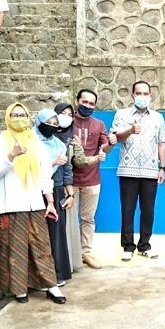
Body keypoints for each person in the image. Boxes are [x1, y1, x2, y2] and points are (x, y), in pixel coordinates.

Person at [0, 102, 66, 304]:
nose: (19, 119)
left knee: (42, 246)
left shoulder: (35, 142)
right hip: (10, 204)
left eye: (22, 115)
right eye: (14, 115)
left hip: (34, 203)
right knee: (16, 249)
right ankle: (19, 289)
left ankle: (51, 286)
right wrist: (11, 155)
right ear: (7, 118)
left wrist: (50, 201)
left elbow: (45, 173)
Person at [111, 81, 165, 261]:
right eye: (138, 93)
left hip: (150, 171)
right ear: (132, 95)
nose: (142, 97)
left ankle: (145, 245)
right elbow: (115, 138)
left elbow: (161, 143)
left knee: (148, 210)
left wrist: (162, 168)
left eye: (145, 94)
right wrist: (129, 130)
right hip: (128, 170)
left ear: (150, 96)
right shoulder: (122, 115)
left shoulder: (158, 117)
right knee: (127, 210)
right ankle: (128, 246)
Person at [71, 89, 116, 269]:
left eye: (91, 103)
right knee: (69, 220)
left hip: (92, 180)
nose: (88, 106)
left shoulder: (98, 124)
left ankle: (85, 253)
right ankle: (69, 253)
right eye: (85, 102)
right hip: (69, 182)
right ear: (77, 101)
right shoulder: (67, 122)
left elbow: (105, 148)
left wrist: (111, 143)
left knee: (88, 218)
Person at [34, 109, 73, 286]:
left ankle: (57, 273)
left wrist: (70, 194)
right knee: (37, 234)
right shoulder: (31, 143)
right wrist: (53, 162)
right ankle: (38, 275)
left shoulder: (59, 145)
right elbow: (30, 169)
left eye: (55, 124)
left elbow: (67, 171)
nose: (51, 126)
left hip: (56, 190)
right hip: (34, 191)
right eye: (48, 123)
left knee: (56, 234)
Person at [54, 102, 83, 271]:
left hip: (62, 188)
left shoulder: (71, 139)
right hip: (44, 189)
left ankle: (65, 266)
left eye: (70, 115)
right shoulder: (43, 138)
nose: (66, 117)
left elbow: (69, 167)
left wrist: (70, 194)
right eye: (62, 113)